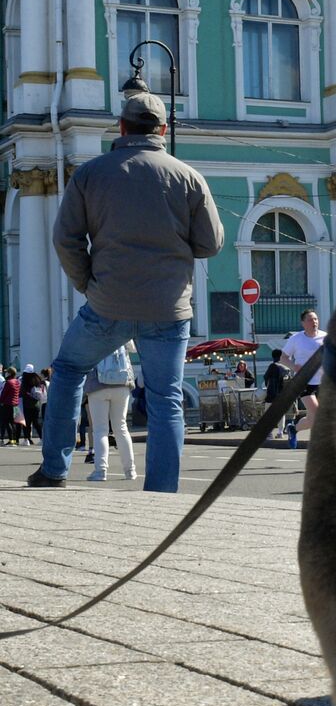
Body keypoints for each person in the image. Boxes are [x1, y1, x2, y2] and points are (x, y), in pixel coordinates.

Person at [27, 91, 223, 491]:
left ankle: (54, 469)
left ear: (121, 127)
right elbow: (211, 244)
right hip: (168, 309)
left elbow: (65, 239)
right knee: (166, 398)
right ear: (163, 130)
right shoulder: (188, 177)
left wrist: (87, 284)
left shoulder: (90, 174)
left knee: (68, 371)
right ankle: (162, 491)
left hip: (106, 304)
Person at [83, 343, 137, 482]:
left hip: (97, 384)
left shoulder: (93, 331)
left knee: (100, 430)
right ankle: (130, 471)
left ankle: (100, 471)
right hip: (121, 383)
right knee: (121, 427)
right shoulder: (124, 330)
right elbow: (134, 348)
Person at [281, 309, 327, 449]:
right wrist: (294, 366)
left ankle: (293, 429)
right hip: (304, 382)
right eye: (310, 319)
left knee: (313, 419)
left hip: (323, 382)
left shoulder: (325, 337)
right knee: (318, 414)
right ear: (303, 323)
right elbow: (283, 358)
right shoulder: (296, 339)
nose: (314, 322)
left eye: (316, 319)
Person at [263, 348, 294, 439]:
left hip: (272, 395)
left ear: (273, 357)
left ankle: (269, 433)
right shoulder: (287, 368)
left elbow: (266, 377)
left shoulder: (273, 366)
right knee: (281, 414)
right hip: (283, 395)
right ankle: (280, 432)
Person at [19, 365, 45, 444]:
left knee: (27, 422)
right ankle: (42, 438)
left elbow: (21, 393)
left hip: (27, 404)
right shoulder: (37, 379)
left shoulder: (25, 381)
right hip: (36, 404)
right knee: (36, 422)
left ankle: (27, 440)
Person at [1, 367, 20, 444]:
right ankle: (15, 440)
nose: (6, 373)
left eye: (7, 372)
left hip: (8, 404)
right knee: (13, 422)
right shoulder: (17, 381)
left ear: (10, 373)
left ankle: (11, 439)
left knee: (7, 422)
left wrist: (1, 401)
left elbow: (3, 394)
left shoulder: (8, 382)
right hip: (15, 404)